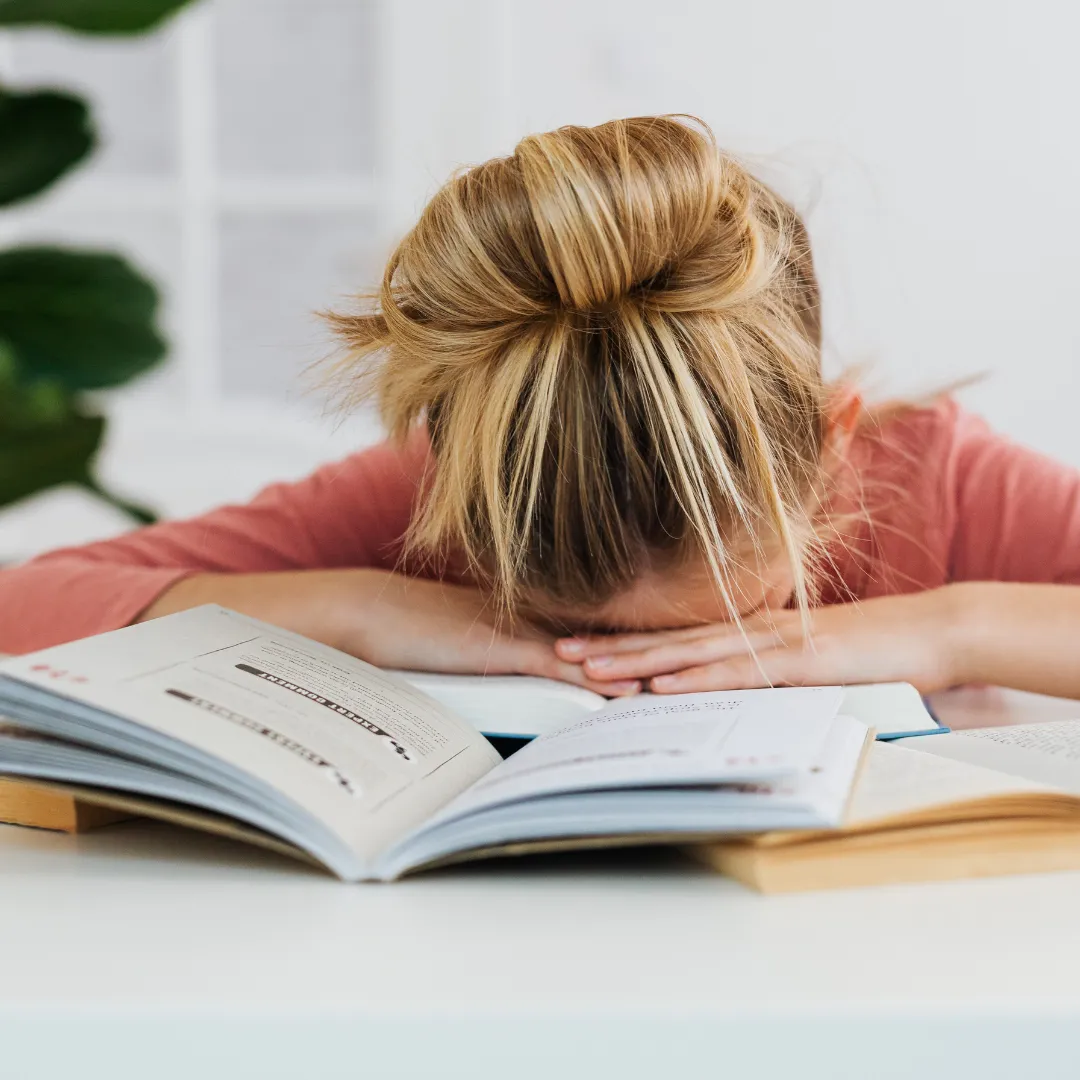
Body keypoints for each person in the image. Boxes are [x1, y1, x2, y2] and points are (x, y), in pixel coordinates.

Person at [3, 115, 1080, 700]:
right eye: (576, 639)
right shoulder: (444, 488)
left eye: (728, 630)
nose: (650, 686)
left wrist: (950, 629)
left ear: (832, 444)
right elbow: (25, 604)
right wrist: (363, 609)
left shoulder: (935, 481)